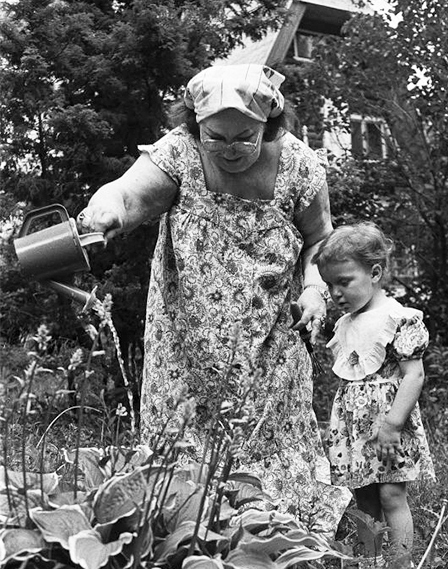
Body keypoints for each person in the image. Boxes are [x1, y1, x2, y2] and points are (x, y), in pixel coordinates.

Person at [76, 63, 351, 537]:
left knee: (272, 438)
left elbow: (318, 240)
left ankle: (281, 550)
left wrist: (313, 288)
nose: (229, 149)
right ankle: (185, 542)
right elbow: (128, 193)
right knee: (182, 447)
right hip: (185, 338)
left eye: (244, 136)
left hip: (268, 337)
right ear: (194, 126)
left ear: (269, 122)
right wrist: (106, 209)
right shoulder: (179, 154)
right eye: (215, 137)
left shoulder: (301, 166)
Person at [312, 222, 434, 569]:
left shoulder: (397, 318)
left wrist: (393, 424)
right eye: (330, 284)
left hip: (387, 423)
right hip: (355, 429)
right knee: (363, 497)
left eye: (344, 282)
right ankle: (370, 565)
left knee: (392, 494)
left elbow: (414, 375)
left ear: (375, 272)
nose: (336, 293)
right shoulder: (344, 325)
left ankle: (399, 568)